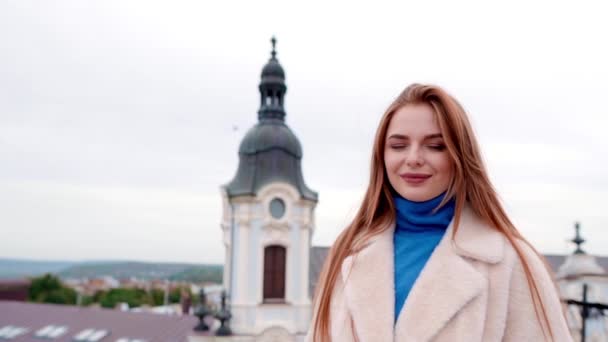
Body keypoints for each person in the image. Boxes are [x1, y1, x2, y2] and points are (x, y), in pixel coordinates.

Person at [306, 84, 572, 342]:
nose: (413, 158)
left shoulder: (509, 260)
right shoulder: (349, 252)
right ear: (381, 157)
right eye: (398, 146)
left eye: (435, 146)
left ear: (460, 156)